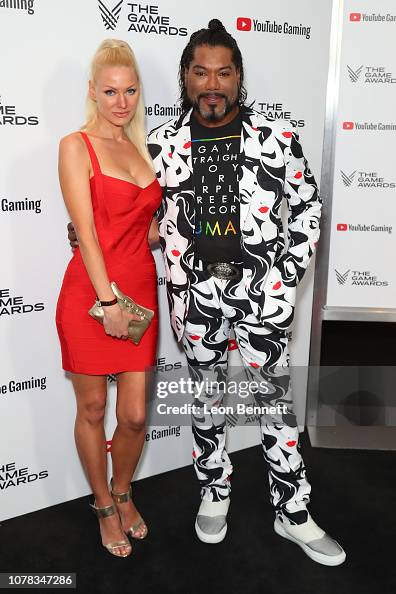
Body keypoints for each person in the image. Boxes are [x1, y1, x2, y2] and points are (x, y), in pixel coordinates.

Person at [68, 21, 345, 566]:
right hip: (194, 300)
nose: (211, 82)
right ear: (185, 78)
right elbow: (123, 213)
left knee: (273, 402)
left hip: (262, 294)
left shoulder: (277, 136)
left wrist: (284, 279)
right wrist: (83, 233)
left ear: (239, 77)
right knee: (207, 398)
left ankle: (293, 512)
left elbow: (309, 207)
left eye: (223, 72)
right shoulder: (160, 145)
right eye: (200, 72)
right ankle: (214, 492)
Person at [56, 39, 161, 558]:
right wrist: (109, 303)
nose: (122, 101)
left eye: (131, 90)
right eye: (111, 91)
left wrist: (158, 232)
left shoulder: (141, 147)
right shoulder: (76, 145)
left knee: (136, 416)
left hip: (142, 290)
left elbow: (140, 227)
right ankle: (102, 504)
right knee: (94, 407)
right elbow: (87, 233)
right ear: (93, 93)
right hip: (94, 295)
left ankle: (124, 490)